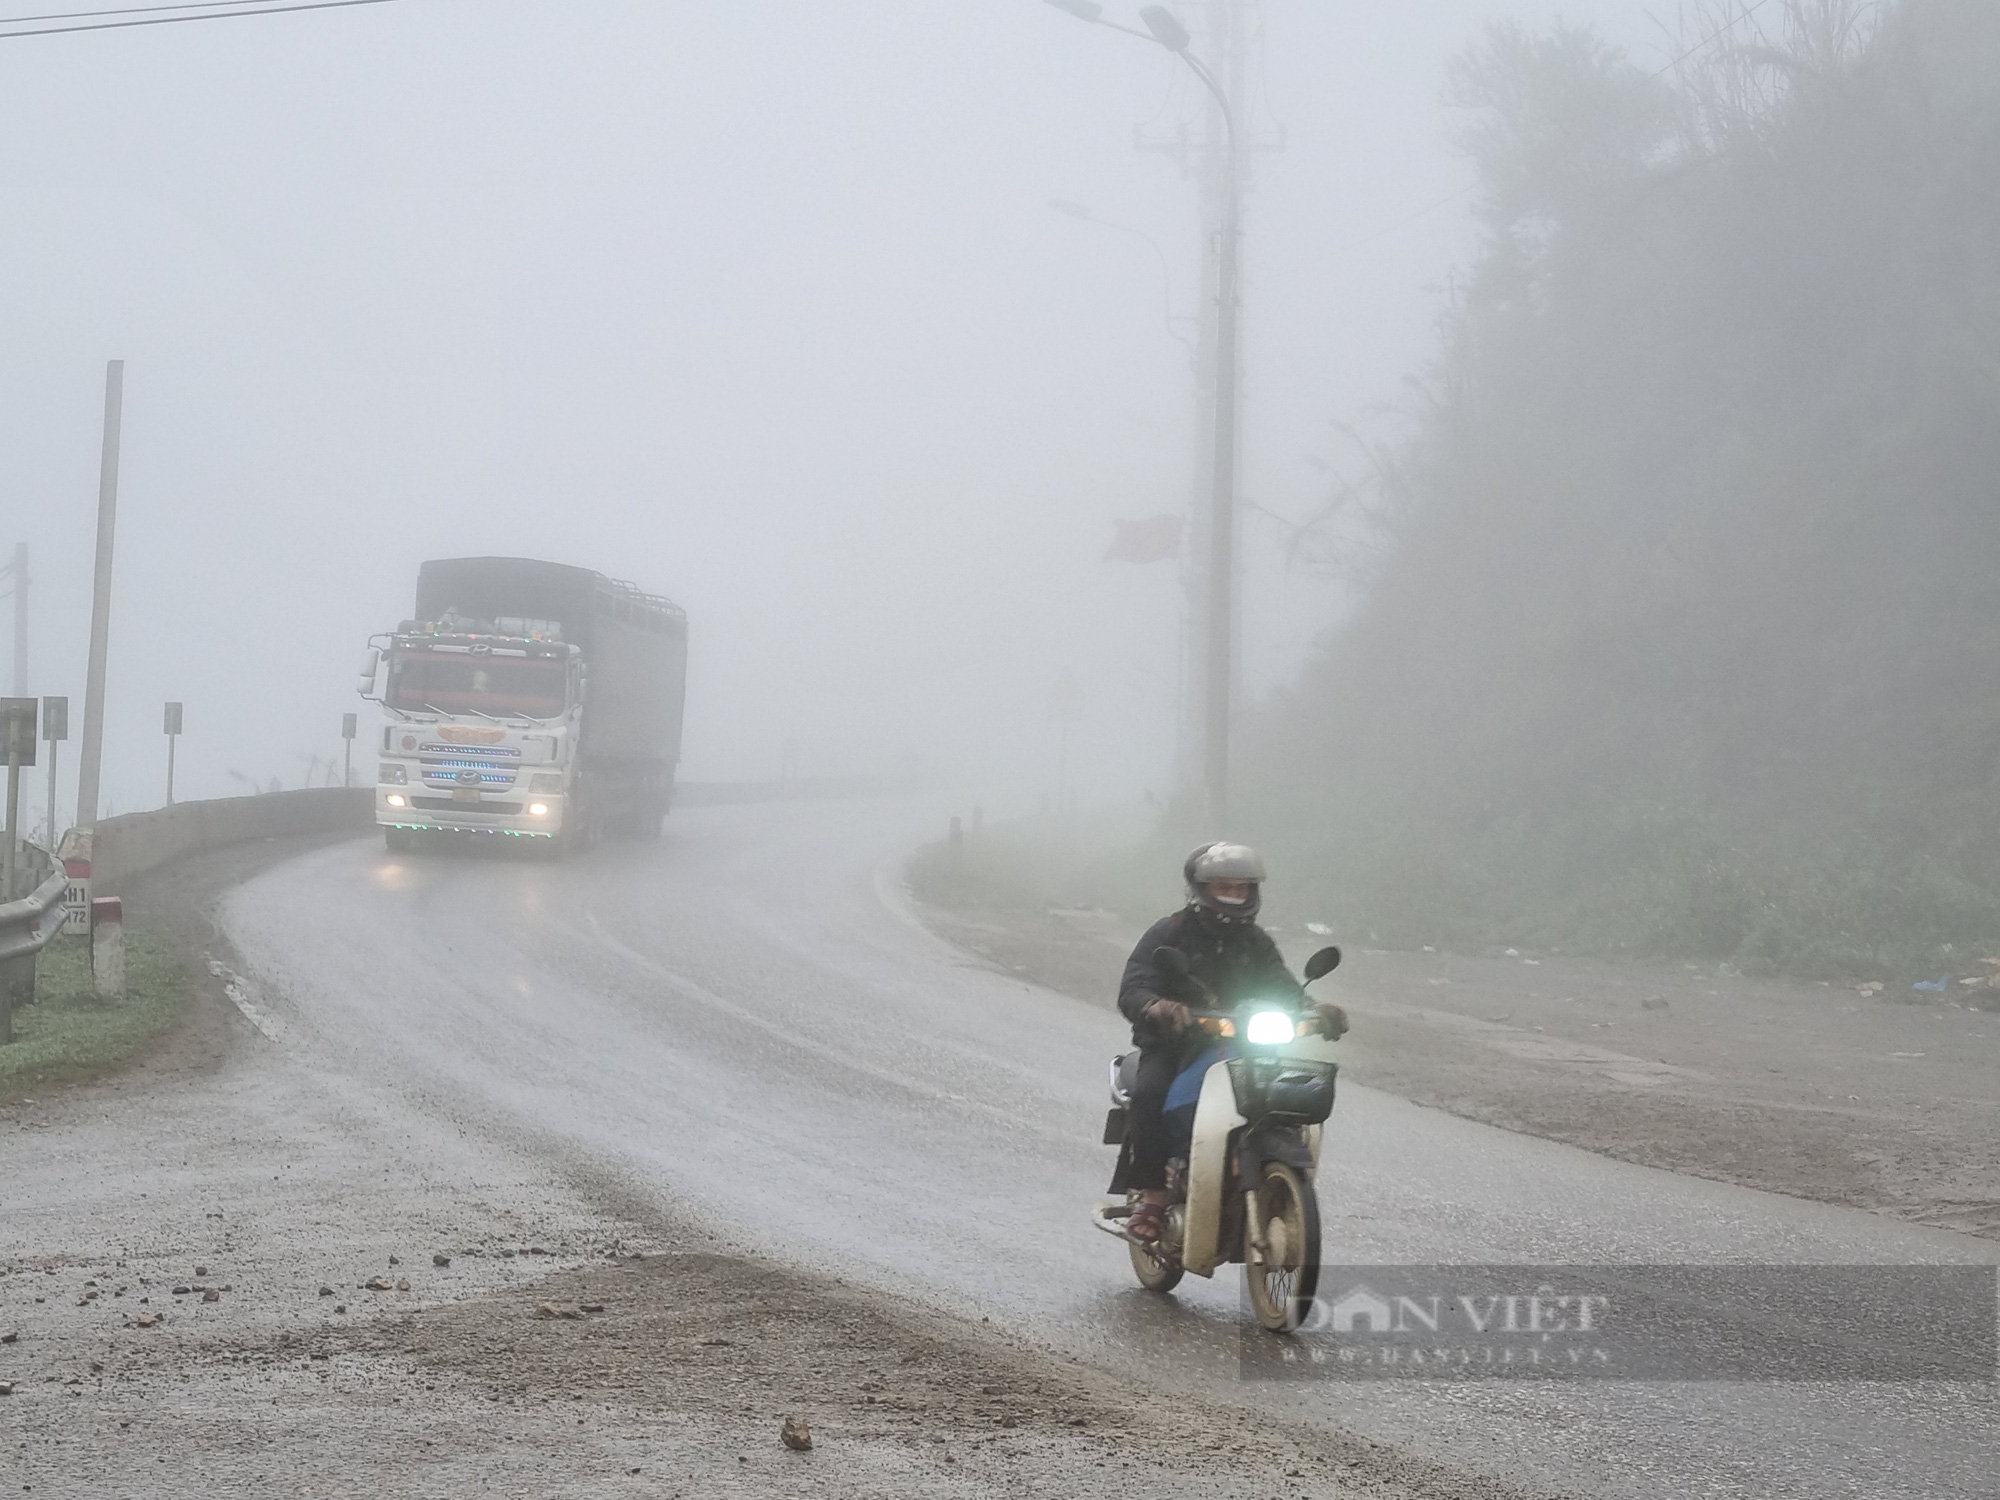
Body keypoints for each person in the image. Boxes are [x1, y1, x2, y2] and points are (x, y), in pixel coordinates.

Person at [1112, 842, 1348, 1243]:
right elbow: (1133, 987)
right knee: (1152, 1094)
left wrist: (1315, 1009)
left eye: (1242, 888)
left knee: (1277, 1101)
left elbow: (1282, 985)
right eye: (1224, 887)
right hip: (1174, 1045)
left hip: (1243, 1043)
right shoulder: (1169, 933)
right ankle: (1152, 1196)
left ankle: (1251, 1169)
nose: (1234, 896)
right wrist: (1158, 1007)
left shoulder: (1255, 942)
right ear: (1201, 889)